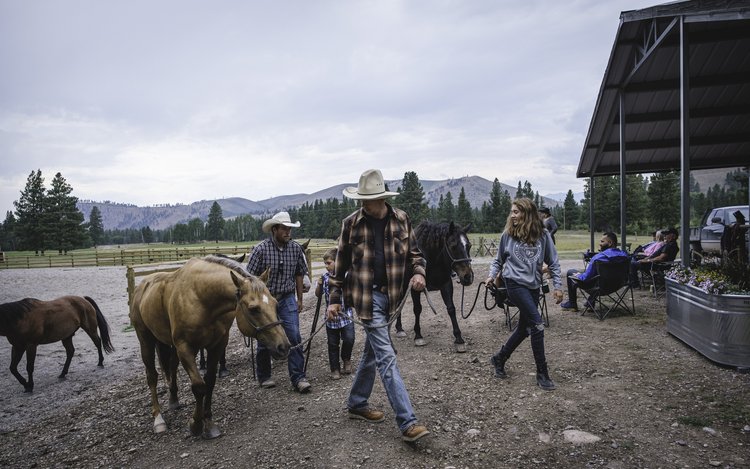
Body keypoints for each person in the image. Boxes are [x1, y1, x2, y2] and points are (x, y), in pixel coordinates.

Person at [327, 168, 430, 443]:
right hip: (366, 298)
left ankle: (357, 402)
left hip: (392, 298)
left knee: (372, 354)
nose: (363, 202)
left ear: (382, 199)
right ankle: (408, 422)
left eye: (368, 198)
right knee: (386, 356)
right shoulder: (351, 223)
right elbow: (339, 265)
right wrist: (334, 300)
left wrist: (419, 272)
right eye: (361, 198)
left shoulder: (402, 220)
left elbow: (416, 254)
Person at [485, 198, 563, 391]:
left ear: (527, 214)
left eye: (516, 212)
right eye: (511, 212)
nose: (512, 216)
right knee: (537, 324)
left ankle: (499, 358)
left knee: (524, 328)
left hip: (534, 286)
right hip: (514, 284)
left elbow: (553, 261)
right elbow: (498, 260)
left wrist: (558, 286)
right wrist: (491, 275)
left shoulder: (543, 235)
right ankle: (542, 374)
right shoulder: (507, 235)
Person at [246, 211, 311, 393]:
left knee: (294, 335)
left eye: (289, 228)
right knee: (265, 337)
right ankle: (265, 376)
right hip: (267, 299)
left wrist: (300, 298)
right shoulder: (260, 250)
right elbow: (249, 277)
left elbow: (299, 274)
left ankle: (298, 377)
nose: (288, 232)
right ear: (274, 229)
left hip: (287, 296)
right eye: (284, 228)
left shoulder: (295, 249)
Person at [560, 232, 628, 312]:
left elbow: (585, 278)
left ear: (610, 243)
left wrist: (578, 275)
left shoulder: (598, 258)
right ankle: (590, 302)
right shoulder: (625, 256)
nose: (600, 244)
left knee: (571, 272)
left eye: (602, 241)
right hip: (617, 285)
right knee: (598, 276)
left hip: (600, 287)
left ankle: (572, 304)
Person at [315, 248, 355, 380]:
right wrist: (319, 285)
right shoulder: (324, 278)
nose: (326, 266)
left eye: (329, 263)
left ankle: (346, 359)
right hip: (331, 318)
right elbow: (317, 294)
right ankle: (335, 368)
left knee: (349, 339)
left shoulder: (346, 276)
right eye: (325, 264)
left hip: (346, 315)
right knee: (332, 344)